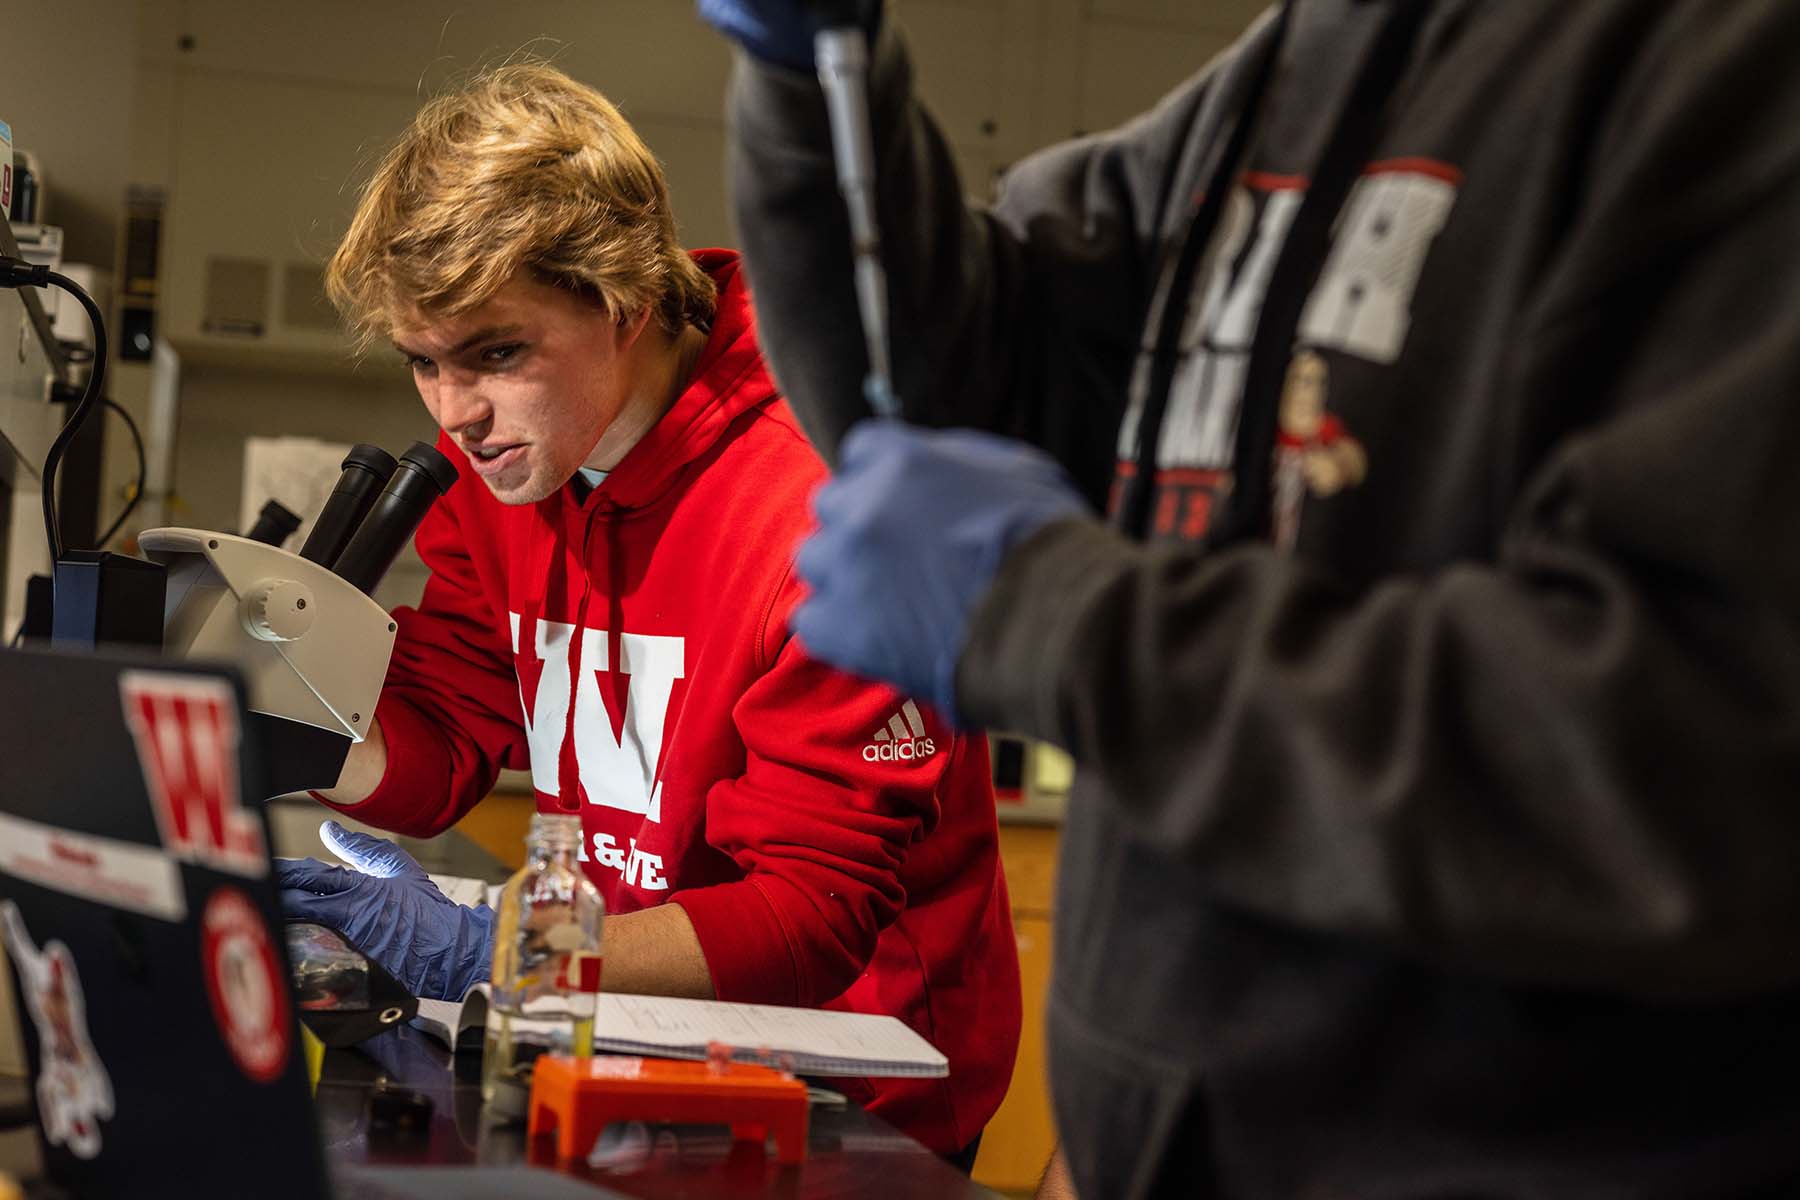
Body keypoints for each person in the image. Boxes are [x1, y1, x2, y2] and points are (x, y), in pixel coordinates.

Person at [702, 0, 1800, 1195]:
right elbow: (962, 373)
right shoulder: (1309, 58)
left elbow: (1685, 753)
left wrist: (1062, 621)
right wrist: (813, 88)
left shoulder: (1728, 66)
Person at [272, 62, 1019, 1163]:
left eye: (496, 353)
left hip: (847, 1096)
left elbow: (801, 917)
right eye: (424, 362)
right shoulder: (506, 470)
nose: (458, 414)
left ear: (624, 302)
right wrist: (278, 711)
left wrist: (490, 951)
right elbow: (446, 748)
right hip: (623, 1037)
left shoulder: (826, 504)